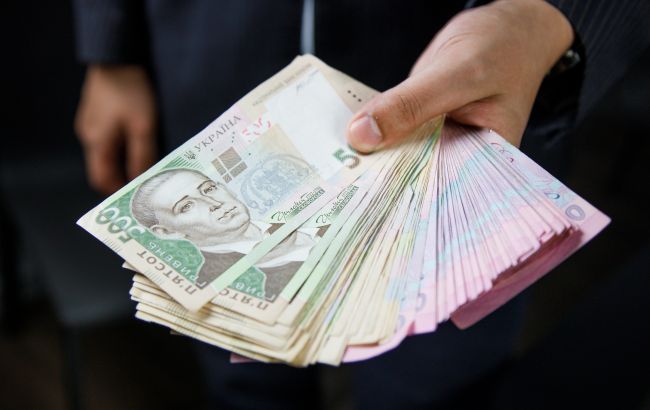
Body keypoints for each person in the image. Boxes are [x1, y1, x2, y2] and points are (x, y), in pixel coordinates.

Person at [72, 0, 650, 408]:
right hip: (210, 60)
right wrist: (111, 46)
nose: (207, 200)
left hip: (464, 99)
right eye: (190, 205)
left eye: (204, 192)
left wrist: (546, 16)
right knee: (246, 384)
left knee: (436, 387)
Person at [130, 168, 318, 297]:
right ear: (166, 232)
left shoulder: (300, 216)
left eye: (209, 189)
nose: (214, 203)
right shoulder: (216, 283)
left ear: (225, 187)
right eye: (186, 206)